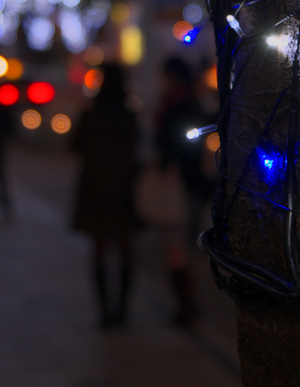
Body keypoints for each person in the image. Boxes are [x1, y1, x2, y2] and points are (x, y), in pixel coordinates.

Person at [71, 63, 138, 328]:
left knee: (99, 250)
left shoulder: (91, 115)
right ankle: (122, 311)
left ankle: (104, 313)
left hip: (95, 189)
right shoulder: (129, 116)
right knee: (125, 250)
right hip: (124, 188)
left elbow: (75, 146)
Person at [154, 56, 211, 327]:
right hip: (189, 183)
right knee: (180, 245)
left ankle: (187, 304)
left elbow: (171, 147)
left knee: (177, 246)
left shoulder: (177, 105)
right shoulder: (190, 102)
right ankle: (186, 302)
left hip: (180, 184)